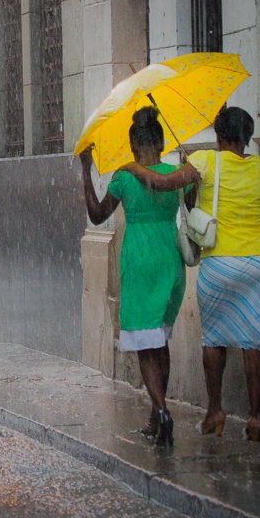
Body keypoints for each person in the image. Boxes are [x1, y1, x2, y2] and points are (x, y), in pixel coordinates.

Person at [120, 106, 260, 442]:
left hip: (220, 261)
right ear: (246, 136)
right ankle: (253, 418)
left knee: (215, 339)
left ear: (219, 136)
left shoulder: (207, 161)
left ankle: (215, 411)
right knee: (256, 341)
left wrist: (131, 165)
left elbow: (162, 183)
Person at [79, 107, 188, 447]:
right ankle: (157, 414)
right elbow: (195, 205)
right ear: (160, 142)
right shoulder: (177, 173)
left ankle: (161, 412)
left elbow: (97, 216)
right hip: (169, 257)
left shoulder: (124, 178)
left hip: (139, 259)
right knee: (160, 339)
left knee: (144, 344)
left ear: (132, 145)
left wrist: (86, 170)